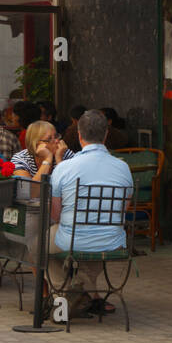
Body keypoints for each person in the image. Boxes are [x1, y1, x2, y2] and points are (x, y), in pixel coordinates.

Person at [48, 110, 134, 318]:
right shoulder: (123, 168)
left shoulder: (65, 168)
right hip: (112, 241)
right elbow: (123, 209)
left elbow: (55, 215)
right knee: (97, 235)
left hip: (72, 238)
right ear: (105, 135)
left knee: (38, 243)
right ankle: (82, 285)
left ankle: (63, 295)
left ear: (78, 135)